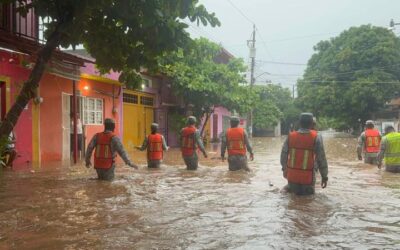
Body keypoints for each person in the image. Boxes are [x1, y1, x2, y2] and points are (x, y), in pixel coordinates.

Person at [280, 113, 328, 195]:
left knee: (292, 201)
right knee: (308, 202)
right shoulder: (316, 137)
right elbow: (321, 159)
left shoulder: (291, 136)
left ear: (300, 123)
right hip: (308, 179)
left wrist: (284, 169)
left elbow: (283, 156)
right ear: (311, 124)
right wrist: (324, 176)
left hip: (292, 177)